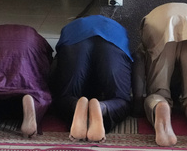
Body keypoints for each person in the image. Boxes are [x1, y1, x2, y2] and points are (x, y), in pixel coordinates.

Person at [139, 2, 187, 148]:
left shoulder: (152, 14)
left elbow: (145, 47)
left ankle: (160, 105)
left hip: (159, 22)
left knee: (158, 91)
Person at [50, 15, 133, 143]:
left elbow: (55, 67)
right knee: (121, 99)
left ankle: (76, 104)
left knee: (64, 96)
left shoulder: (72, 26)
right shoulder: (118, 28)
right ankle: (102, 107)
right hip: (113, 40)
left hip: (74, 38)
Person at [0, 24, 53, 138]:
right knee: (37, 87)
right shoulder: (35, 35)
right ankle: (31, 98)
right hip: (28, 45)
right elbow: (46, 62)